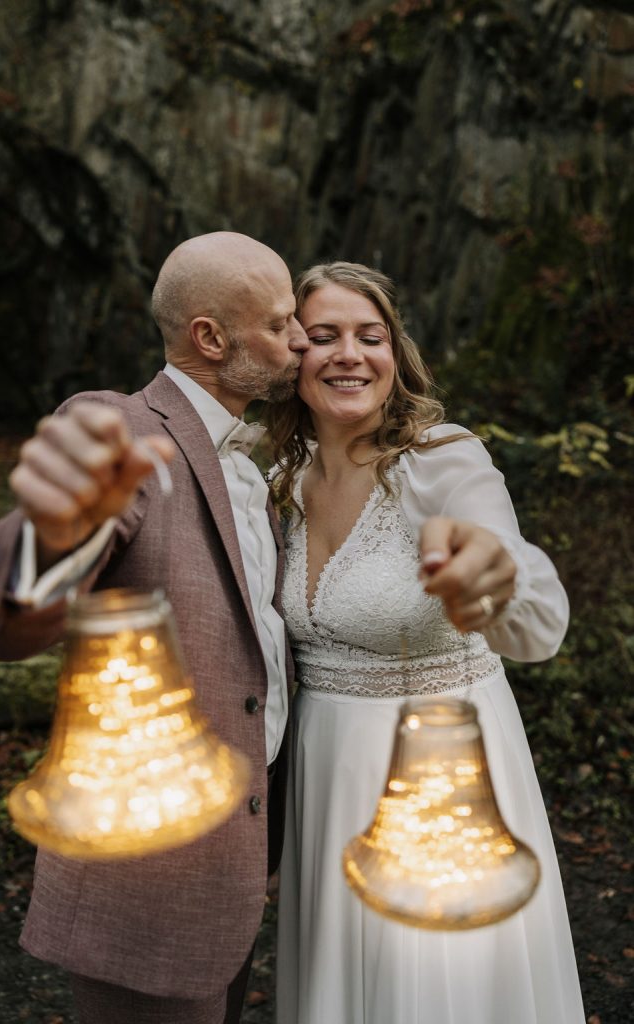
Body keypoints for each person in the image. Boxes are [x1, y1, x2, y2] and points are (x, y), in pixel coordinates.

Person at [0, 231, 310, 1024]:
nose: (299, 339)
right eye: (281, 323)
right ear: (209, 338)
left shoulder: (253, 468)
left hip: (233, 869)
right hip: (146, 876)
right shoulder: (123, 431)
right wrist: (49, 531)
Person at [266, 262, 586, 1024]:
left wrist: (495, 574)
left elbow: (522, 595)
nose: (349, 353)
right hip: (325, 772)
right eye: (324, 337)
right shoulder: (280, 476)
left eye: (368, 336)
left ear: (394, 352)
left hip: (439, 774)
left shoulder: (442, 458)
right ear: (291, 356)